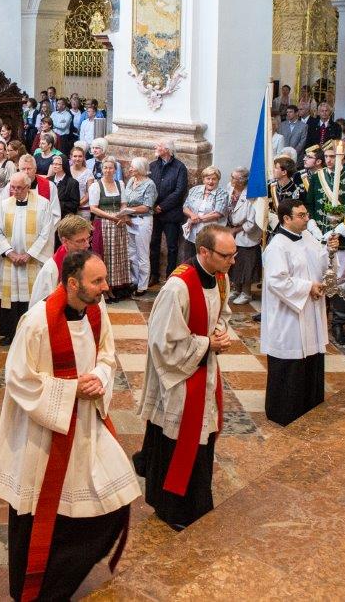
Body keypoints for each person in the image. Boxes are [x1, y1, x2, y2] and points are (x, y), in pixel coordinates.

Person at [0, 250, 136, 600]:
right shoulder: (37, 321)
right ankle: (35, 588)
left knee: (115, 505)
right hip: (44, 432)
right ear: (73, 283)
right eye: (97, 281)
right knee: (39, 510)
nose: (105, 287)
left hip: (85, 425)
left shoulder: (97, 312)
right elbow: (19, 379)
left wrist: (99, 378)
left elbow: (106, 355)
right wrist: (72, 390)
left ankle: (57, 581)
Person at [141, 224, 236, 529]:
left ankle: (197, 502)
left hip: (203, 369)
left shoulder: (221, 279)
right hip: (180, 376)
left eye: (233, 255)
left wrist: (219, 333)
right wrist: (208, 343)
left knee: (202, 439)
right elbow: (162, 341)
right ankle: (172, 508)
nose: (232, 261)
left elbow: (223, 313)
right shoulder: (178, 287)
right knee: (177, 437)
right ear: (204, 251)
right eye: (226, 256)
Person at [261, 199, 332, 426]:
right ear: (286, 219)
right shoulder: (277, 246)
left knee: (311, 360)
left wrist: (329, 250)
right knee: (290, 363)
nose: (307, 218)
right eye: (301, 215)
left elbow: (319, 266)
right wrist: (307, 287)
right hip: (288, 316)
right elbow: (276, 281)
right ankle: (285, 411)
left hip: (310, 309)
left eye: (306, 214)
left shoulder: (308, 238)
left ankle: (309, 407)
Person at [0, 173, 56, 346]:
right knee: (9, 298)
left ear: (28, 187)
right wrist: (10, 253)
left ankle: (30, 334)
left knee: (30, 297)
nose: (15, 191)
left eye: (19, 188)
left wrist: (29, 254)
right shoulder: (5, 204)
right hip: (10, 261)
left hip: (31, 261)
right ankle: (9, 333)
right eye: (12, 187)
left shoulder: (43, 204)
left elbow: (46, 234)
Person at [304, 140, 345, 346]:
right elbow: (311, 205)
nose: (330, 161)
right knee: (319, 274)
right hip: (320, 235)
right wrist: (315, 229)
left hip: (341, 237)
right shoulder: (317, 178)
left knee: (340, 279)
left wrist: (340, 229)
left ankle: (338, 323)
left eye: (334, 157)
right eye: (328, 157)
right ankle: (319, 318)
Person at [88, 159, 132, 297]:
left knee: (117, 256)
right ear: (102, 169)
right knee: (105, 255)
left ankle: (113, 285)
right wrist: (113, 217)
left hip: (119, 224)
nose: (108, 170)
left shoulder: (120, 184)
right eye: (105, 168)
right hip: (104, 224)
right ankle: (104, 288)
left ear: (115, 170)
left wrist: (122, 215)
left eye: (111, 168)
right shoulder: (96, 186)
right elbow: (93, 208)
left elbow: (123, 203)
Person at [30, 214, 93, 308]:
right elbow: (40, 307)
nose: (87, 245)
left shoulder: (90, 263)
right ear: (65, 241)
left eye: (88, 239)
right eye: (81, 241)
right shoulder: (51, 268)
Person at [149, 140, 189, 285]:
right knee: (154, 244)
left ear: (167, 149)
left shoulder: (180, 167)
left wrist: (162, 206)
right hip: (154, 213)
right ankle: (153, 275)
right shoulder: (153, 166)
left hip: (171, 213)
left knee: (172, 246)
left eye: (158, 146)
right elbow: (149, 187)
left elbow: (179, 191)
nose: (156, 148)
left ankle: (170, 275)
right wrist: (153, 206)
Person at [226, 167, 264, 305]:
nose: (231, 180)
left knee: (246, 264)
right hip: (231, 230)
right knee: (234, 263)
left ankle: (246, 293)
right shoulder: (229, 187)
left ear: (243, 181)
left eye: (234, 178)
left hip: (246, 234)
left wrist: (236, 230)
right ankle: (236, 289)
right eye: (232, 176)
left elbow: (252, 221)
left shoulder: (252, 195)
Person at [180, 166, 229, 265]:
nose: (211, 182)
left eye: (214, 179)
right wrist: (192, 215)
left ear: (218, 180)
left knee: (206, 262)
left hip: (209, 234)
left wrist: (197, 218)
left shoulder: (222, 194)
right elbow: (185, 207)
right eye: (208, 178)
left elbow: (217, 213)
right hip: (192, 233)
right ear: (203, 179)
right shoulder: (194, 190)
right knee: (189, 261)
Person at [122, 157, 158, 296]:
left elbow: (146, 206)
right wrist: (126, 215)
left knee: (142, 254)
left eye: (133, 167)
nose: (130, 169)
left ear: (141, 169)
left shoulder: (150, 184)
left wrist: (129, 212)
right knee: (131, 253)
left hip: (142, 221)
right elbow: (125, 200)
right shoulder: (131, 181)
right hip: (130, 220)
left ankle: (142, 286)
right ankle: (134, 280)